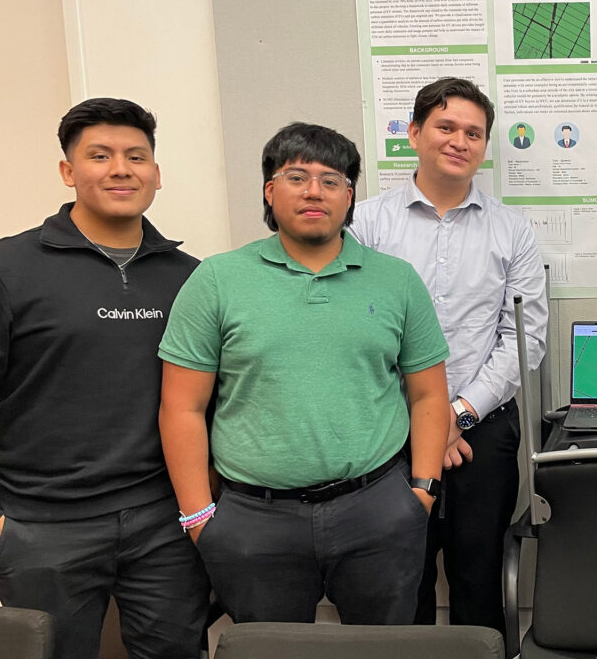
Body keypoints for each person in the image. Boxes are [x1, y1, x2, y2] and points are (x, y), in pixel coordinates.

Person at [157, 122, 451, 625]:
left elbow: (427, 395)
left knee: (385, 652)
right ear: (270, 192)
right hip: (254, 520)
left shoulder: (397, 281)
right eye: (297, 176)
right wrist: (199, 517)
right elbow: (181, 407)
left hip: (378, 511)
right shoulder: (217, 280)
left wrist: (421, 492)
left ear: (350, 196)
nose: (315, 191)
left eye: (331, 179)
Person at [0, 98, 208, 659]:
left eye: (136, 156)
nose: (120, 169)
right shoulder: (3, 269)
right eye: (99, 155)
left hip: (165, 525)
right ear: (68, 171)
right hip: (40, 527)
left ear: (156, 172)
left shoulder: (191, 278)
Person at [350, 77, 547, 636]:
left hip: (480, 428)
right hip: (388, 427)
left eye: (473, 133)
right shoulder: (365, 225)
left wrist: (456, 415)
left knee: (477, 572)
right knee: (398, 573)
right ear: (414, 133)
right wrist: (421, 424)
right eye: (446, 127)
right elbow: (350, 329)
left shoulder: (511, 229)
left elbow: (526, 337)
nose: (460, 141)